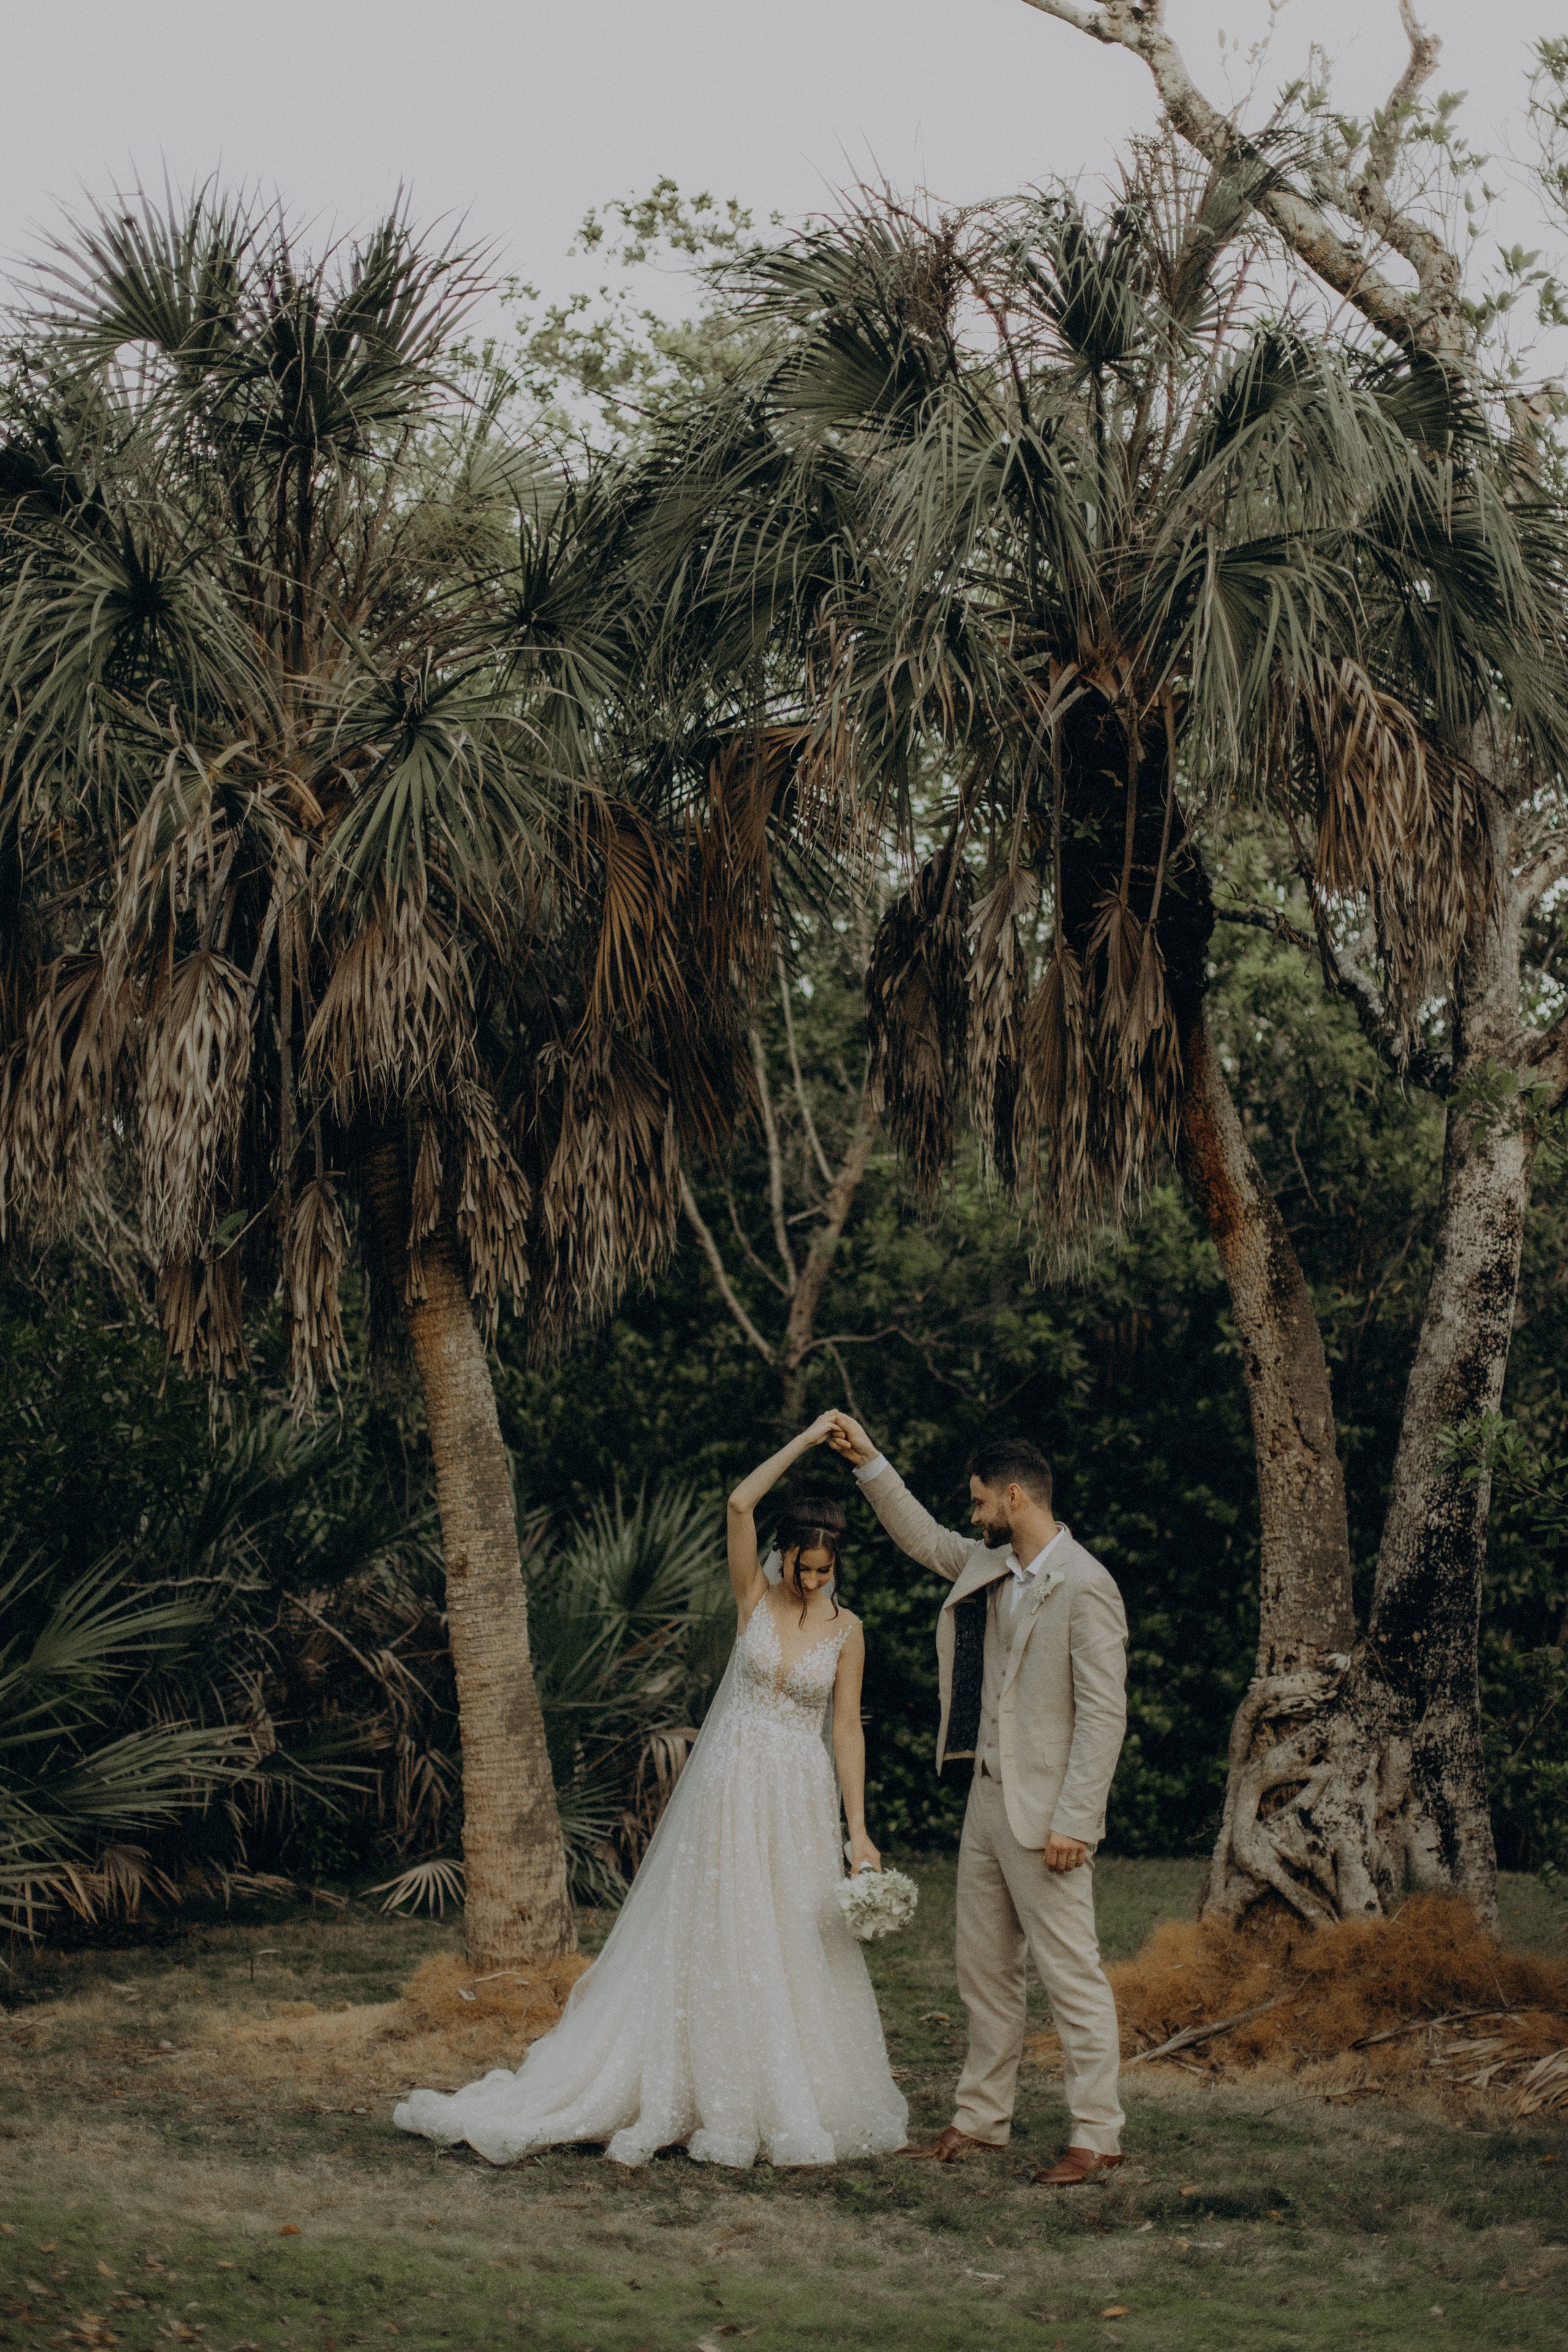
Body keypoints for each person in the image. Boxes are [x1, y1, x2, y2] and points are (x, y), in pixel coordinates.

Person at [393, 1411, 908, 2168]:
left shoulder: (847, 1629)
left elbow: (846, 1731)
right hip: (732, 1787)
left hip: (800, 1796)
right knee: (722, 1928)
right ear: (784, 1555)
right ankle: (693, 2082)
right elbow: (738, 1504)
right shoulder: (755, 1601)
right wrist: (804, 1444)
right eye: (801, 1566)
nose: (809, 1581)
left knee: (793, 1935)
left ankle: (782, 2089)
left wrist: (857, 1831)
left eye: (823, 1572)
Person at [829, 1415, 1128, 2184]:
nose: (973, 1515)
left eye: (979, 1501)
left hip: (1049, 1818)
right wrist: (869, 1464)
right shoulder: (991, 1567)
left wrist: (1076, 1821)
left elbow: (1104, 1715)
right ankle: (980, 2120)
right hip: (986, 1805)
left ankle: (1097, 2133)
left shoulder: (1088, 1586)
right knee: (984, 1972)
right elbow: (925, 1539)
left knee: (1072, 1978)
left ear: (1014, 1495)